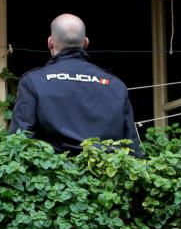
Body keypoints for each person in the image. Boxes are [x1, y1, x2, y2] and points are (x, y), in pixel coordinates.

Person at [8, 13, 143, 156]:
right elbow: (133, 149)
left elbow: (18, 143)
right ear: (85, 43)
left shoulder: (33, 81)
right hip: (106, 175)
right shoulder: (115, 85)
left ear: (50, 42)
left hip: (53, 174)